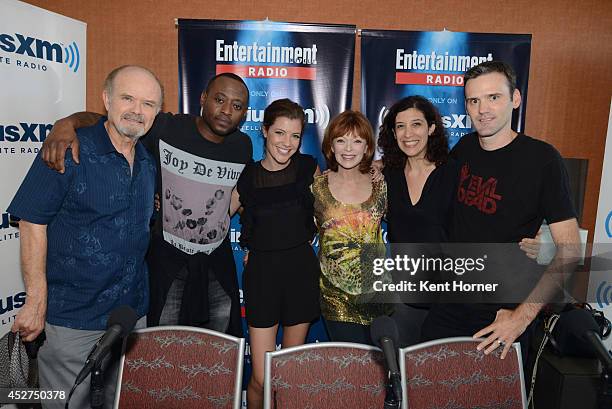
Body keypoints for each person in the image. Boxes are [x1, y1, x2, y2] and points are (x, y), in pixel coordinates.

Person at [40, 73, 252, 336]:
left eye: (237, 106)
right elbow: (108, 123)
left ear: (244, 113)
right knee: (164, 346)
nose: (226, 110)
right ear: (203, 98)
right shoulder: (168, 128)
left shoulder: (242, 147)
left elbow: (237, 194)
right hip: (169, 262)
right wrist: (67, 123)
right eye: (219, 99)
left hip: (217, 266)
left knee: (220, 347)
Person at [8, 65, 161, 408]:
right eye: (127, 98)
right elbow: (32, 220)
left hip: (129, 316)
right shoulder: (69, 149)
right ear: (106, 99)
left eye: (148, 104)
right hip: (74, 319)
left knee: (120, 401)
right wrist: (35, 300)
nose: (138, 110)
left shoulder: (148, 161)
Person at [419, 61, 580, 360]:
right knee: (427, 388)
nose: (483, 109)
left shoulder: (543, 160)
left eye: (494, 97)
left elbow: (570, 250)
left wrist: (521, 317)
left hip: (501, 315)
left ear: (515, 99)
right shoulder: (464, 148)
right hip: (449, 303)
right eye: (474, 100)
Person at [377, 95, 542, 346]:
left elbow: (497, 210)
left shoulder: (455, 172)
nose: (408, 133)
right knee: (402, 373)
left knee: (442, 375)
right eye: (400, 126)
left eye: (416, 124)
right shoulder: (388, 175)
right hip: (405, 297)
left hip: (449, 301)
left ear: (431, 128)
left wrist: (540, 235)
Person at [234, 99, 321, 409]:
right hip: (262, 277)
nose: (287, 143)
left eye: (295, 136)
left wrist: (375, 169)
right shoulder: (247, 177)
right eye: (280, 133)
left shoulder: (310, 168)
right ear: (265, 131)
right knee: (260, 376)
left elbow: (339, 196)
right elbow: (212, 219)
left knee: (286, 374)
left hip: (301, 273)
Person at [312, 110, 389, 344]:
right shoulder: (317, 187)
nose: (348, 149)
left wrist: (382, 165)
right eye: (341, 140)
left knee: (380, 372)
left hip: (379, 296)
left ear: (367, 148)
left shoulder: (381, 185)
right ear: (331, 146)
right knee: (351, 371)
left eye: (357, 141)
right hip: (335, 298)